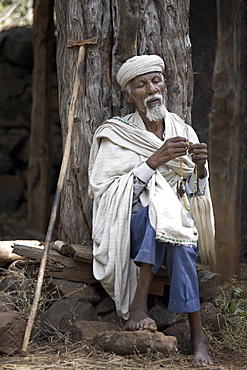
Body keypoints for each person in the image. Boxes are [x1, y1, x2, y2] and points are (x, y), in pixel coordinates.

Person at [88, 55, 214, 365]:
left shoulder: (183, 130)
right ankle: (193, 333)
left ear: (166, 85)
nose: (151, 89)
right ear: (129, 94)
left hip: (177, 227)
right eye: (141, 84)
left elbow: (195, 196)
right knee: (154, 214)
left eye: (156, 80)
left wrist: (200, 167)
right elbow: (108, 194)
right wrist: (152, 162)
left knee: (175, 230)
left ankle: (151, 313)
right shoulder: (117, 134)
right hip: (130, 224)